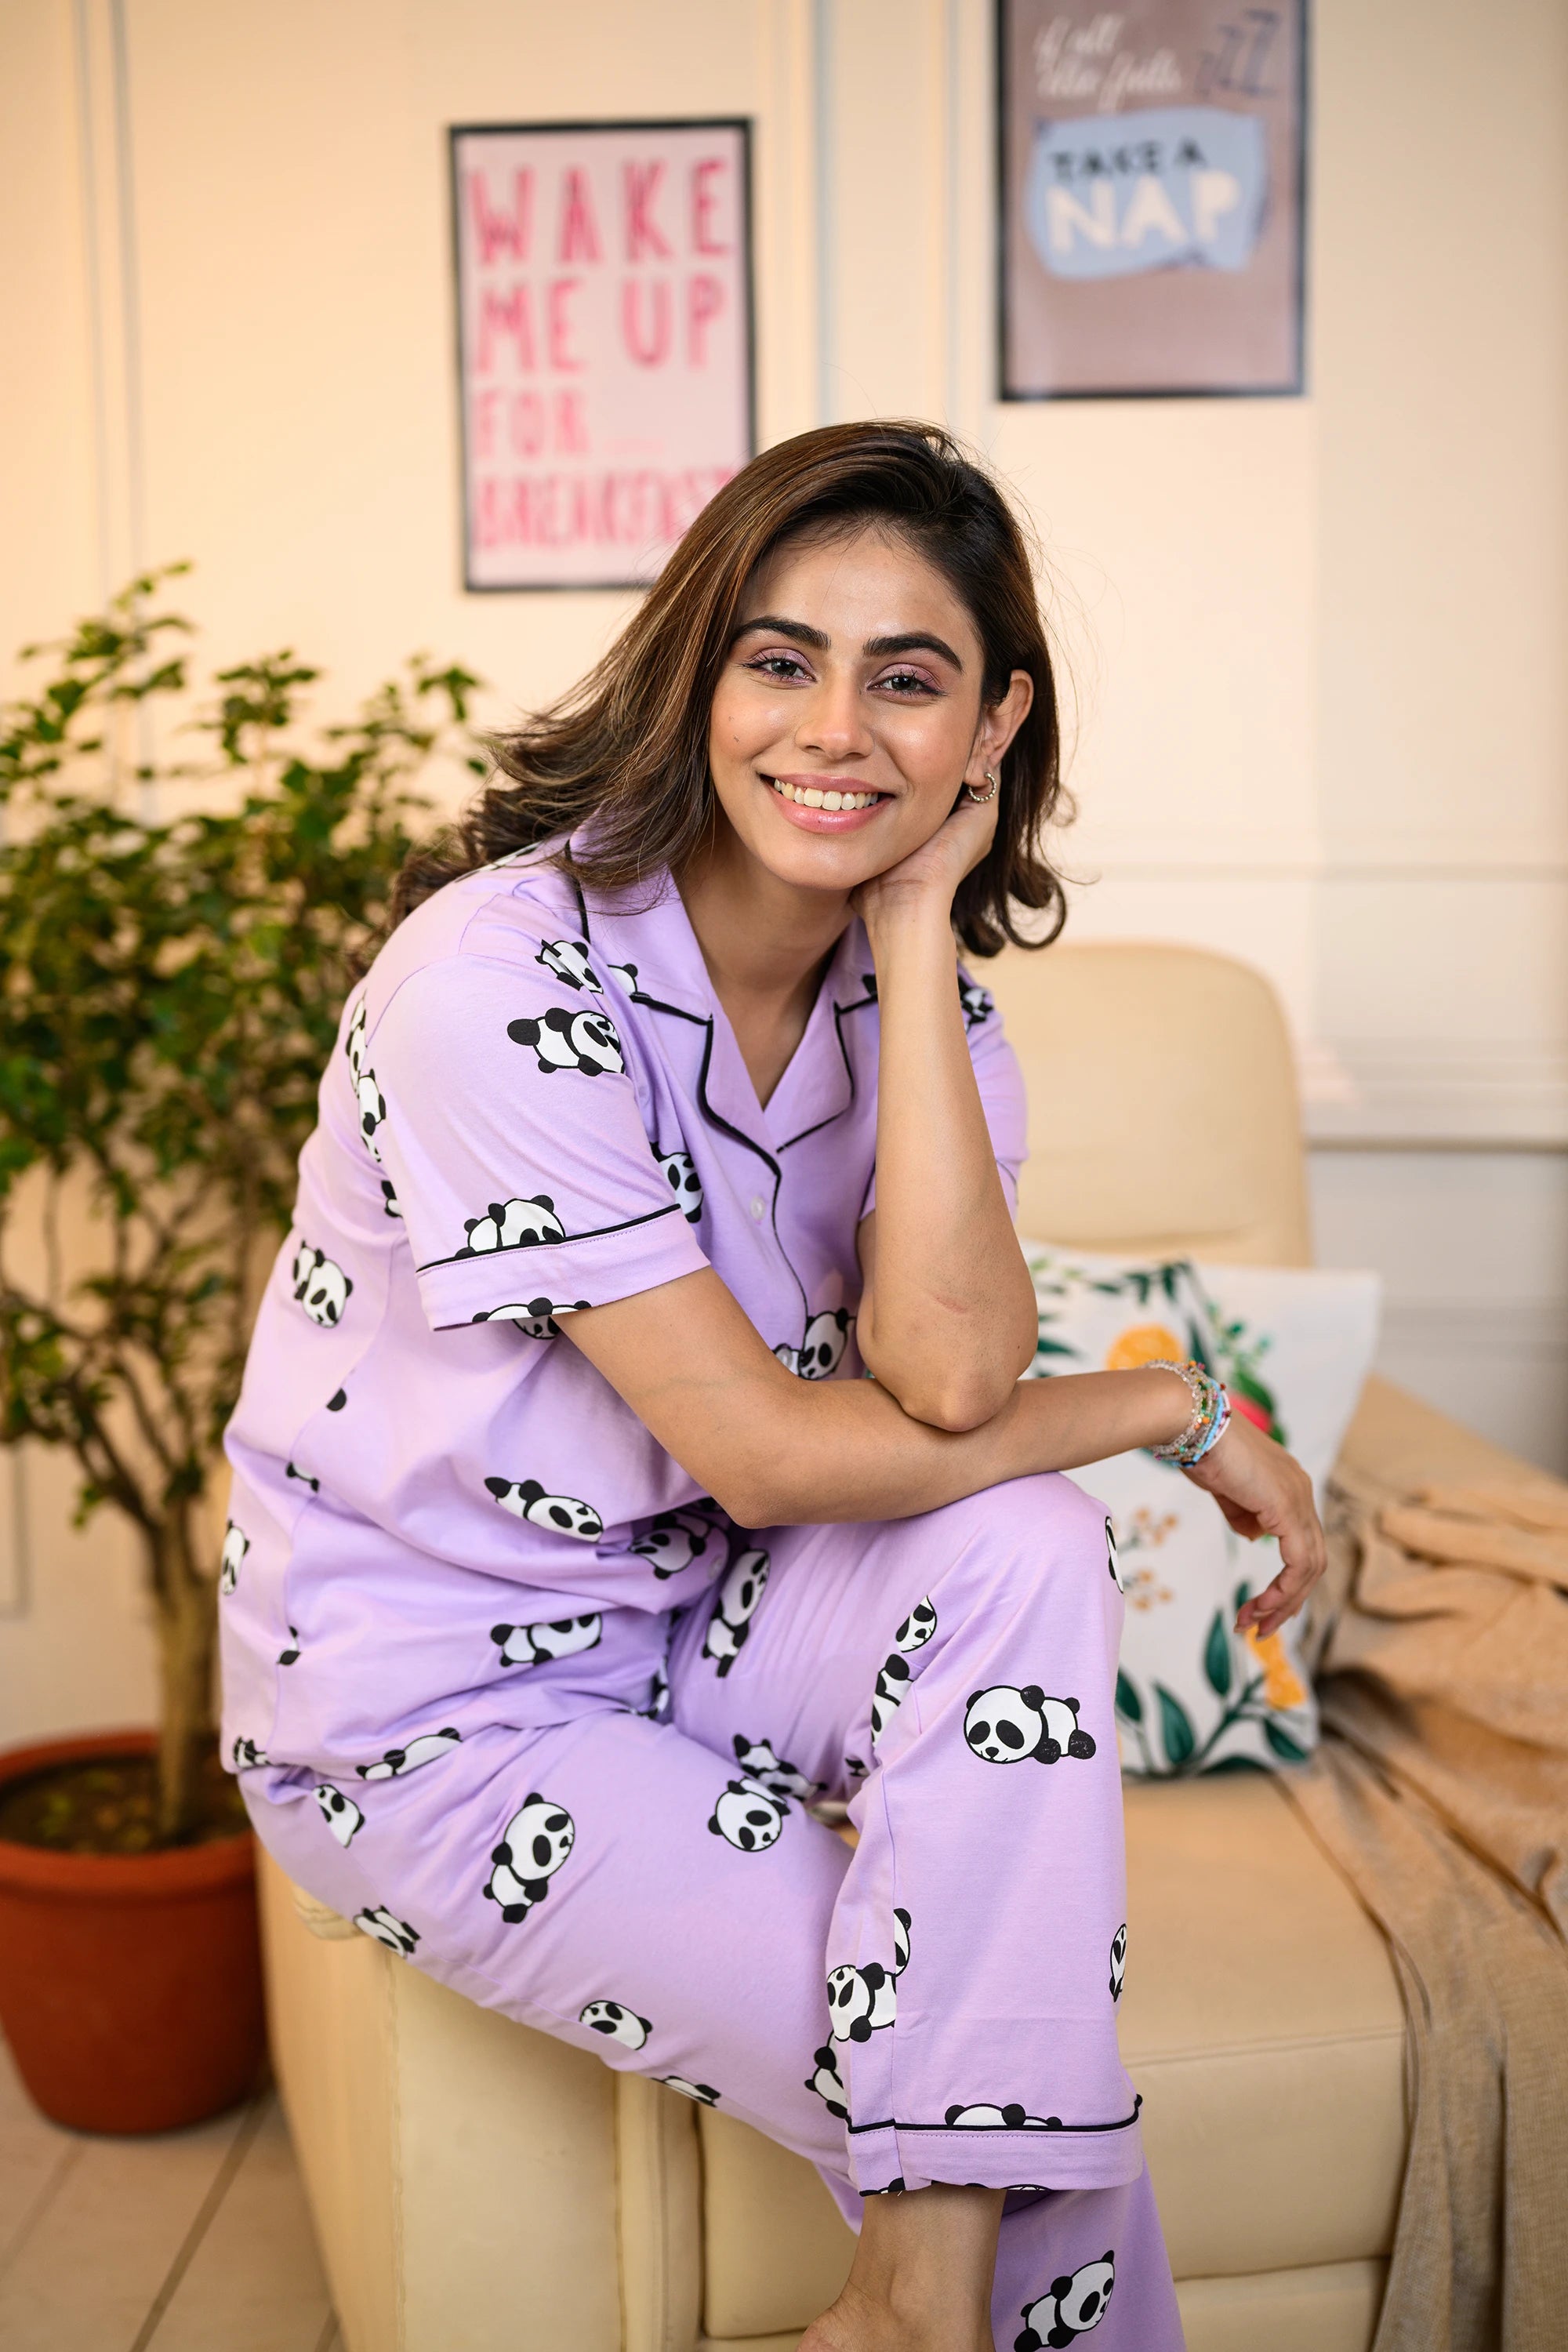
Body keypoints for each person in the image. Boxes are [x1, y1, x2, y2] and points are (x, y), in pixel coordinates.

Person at [221, 421, 1323, 2352]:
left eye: (909, 678)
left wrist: (909, 933)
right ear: (696, 675)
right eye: (779, 657)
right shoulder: (494, 974)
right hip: (440, 1703)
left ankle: (904, 2310)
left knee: (1018, 1541)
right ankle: (916, 2304)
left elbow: (953, 1382)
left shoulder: (931, 1015)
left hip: (692, 1615)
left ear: (990, 728)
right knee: (1022, 2126)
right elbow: (761, 1447)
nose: (835, 726)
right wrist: (1176, 1407)